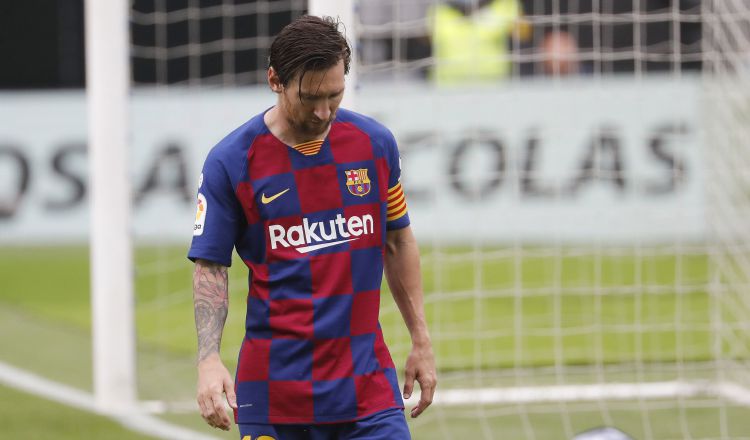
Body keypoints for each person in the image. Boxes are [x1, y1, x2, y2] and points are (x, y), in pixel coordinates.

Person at [188, 15, 437, 439]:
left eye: (335, 96)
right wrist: (208, 359)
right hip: (275, 393)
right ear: (275, 80)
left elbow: (397, 241)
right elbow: (211, 265)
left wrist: (421, 340)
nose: (323, 112)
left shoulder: (374, 144)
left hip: (368, 389)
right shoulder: (232, 161)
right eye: (310, 98)